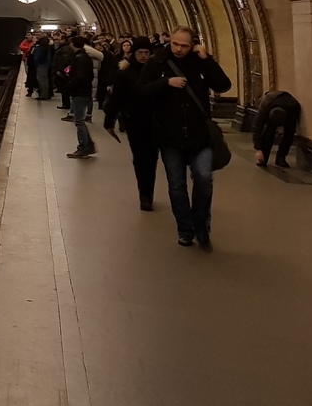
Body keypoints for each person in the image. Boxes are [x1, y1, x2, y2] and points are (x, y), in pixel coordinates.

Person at [139, 27, 231, 249]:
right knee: (177, 184)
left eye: (184, 45)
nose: (179, 49)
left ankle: (201, 224)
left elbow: (223, 85)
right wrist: (165, 83)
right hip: (169, 135)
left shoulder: (199, 62)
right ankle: (186, 229)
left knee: (203, 178)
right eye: (175, 44)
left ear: (193, 45)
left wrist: (206, 59)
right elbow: (140, 91)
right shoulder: (157, 62)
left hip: (199, 134)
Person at [108, 40, 157, 208]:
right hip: (134, 121)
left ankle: (148, 191)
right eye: (140, 53)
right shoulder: (125, 74)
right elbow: (116, 99)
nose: (143, 56)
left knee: (152, 158)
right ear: (134, 54)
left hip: (155, 120)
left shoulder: (157, 72)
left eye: (146, 53)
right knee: (141, 157)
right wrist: (109, 121)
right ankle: (144, 193)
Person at [63, 34, 104, 159]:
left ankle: (84, 147)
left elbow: (79, 77)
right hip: (84, 91)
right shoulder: (85, 57)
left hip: (79, 93)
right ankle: (89, 145)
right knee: (80, 120)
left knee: (79, 121)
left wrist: (70, 85)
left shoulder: (80, 58)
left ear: (73, 45)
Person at [251, 88, 300, 169]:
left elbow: (290, 133)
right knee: (268, 133)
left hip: (287, 109)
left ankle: (281, 157)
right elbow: (257, 128)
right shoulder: (265, 107)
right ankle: (264, 157)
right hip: (271, 104)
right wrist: (258, 149)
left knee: (289, 134)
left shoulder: (294, 107)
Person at [31, 35, 54, 100]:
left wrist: (36, 62)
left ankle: (44, 95)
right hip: (45, 65)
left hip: (41, 65)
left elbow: (38, 57)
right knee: (44, 80)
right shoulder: (48, 47)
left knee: (42, 80)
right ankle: (46, 94)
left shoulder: (40, 48)